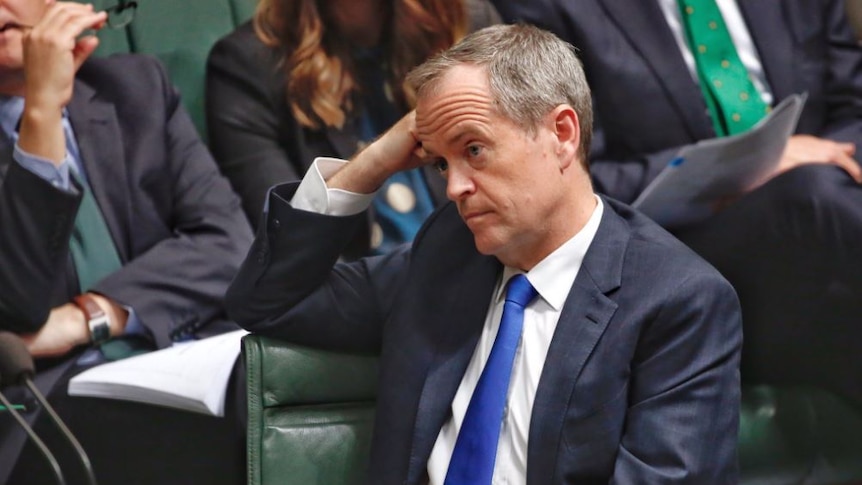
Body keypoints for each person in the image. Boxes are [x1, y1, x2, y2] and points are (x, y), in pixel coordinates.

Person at [226, 24, 742, 483]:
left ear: (562, 134)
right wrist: (377, 160)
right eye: (440, 164)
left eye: (474, 149)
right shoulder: (448, 254)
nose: (453, 187)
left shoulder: (677, 300)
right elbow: (270, 301)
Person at [490, 0, 862, 408]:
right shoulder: (550, 9)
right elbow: (564, 174)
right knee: (809, 196)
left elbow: (854, 105)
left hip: (830, 235)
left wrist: (823, 156)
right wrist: (759, 164)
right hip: (686, 252)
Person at [0, 1, 253, 484]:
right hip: (36, 408)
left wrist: (89, 317)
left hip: (179, 355)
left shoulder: (134, 88)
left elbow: (229, 243)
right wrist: (41, 112)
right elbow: (18, 307)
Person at [206, 0, 500, 258]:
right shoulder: (247, 65)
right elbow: (285, 248)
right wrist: (377, 160)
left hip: (484, 272)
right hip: (365, 298)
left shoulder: (465, 22)